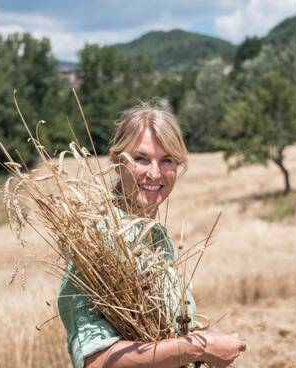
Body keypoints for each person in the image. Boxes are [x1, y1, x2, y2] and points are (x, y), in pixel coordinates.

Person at [58, 101, 245, 368]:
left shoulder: (159, 239)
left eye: (167, 160)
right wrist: (198, 348)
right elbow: (95, 362)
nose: (155, 173)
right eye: (141, 158)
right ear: (116, 163)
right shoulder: (95, 244)